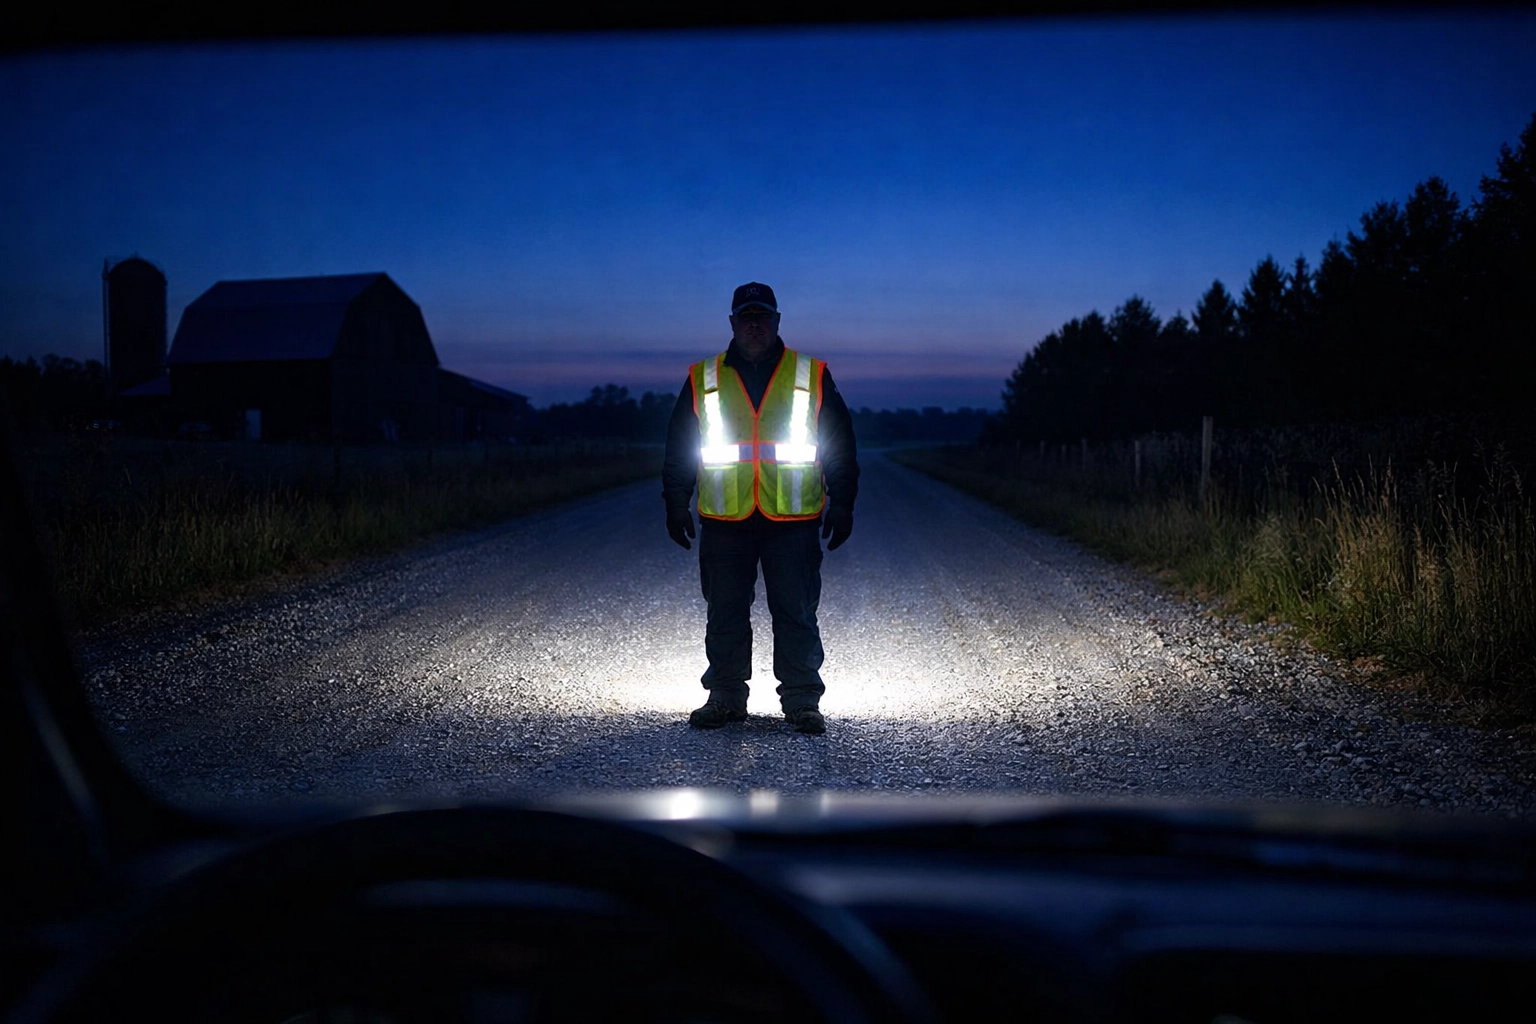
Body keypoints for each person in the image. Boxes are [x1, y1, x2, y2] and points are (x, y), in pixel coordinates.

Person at [663, 282, 859, 735]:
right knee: (725, 612)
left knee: (796, 611)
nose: (755, 324)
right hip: (724, 519)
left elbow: (839, 442)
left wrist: (843, 501)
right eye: (746, 316)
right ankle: (726, 698)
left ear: (777, 321)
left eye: (763, 316)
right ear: (732, 322)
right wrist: (675, 501)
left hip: (792, 520)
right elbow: (679, 446)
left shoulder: (809, 374)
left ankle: (802, 702)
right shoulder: (703, 377)